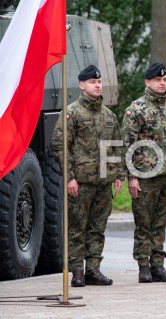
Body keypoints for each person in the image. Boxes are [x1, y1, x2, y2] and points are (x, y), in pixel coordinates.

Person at [51, 65, 124, 287]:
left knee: (97, 227)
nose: (98, 85)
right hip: (81, 182)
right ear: (82, 86)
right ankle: (77, 272)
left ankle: (93, 269)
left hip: (104, 182)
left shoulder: (109, 116)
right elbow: (61, 145)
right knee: (77, 228)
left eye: (99, 82)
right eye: (93, 82)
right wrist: (70, 177)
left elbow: (116, 147)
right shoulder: (72, 113)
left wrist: (119, 174)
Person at [121, 63, 166, 283]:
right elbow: (127, 144)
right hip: (145, 176)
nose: (162, 83)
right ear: (147, 82)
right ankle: (143, 266)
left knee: (160, 223)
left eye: (165, 80)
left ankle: (158, 265)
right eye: (157, 80)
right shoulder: (136, 110)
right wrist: (131, 176)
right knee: (144, 223)